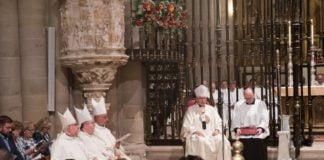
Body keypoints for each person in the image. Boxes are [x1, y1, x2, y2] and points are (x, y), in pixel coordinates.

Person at [181, 85, 231, 160]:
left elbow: (219, 122)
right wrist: (195, 131)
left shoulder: (212, 109)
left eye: (204, 98)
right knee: (200, 141)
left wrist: (217, 130)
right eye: (201, 98)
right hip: (198, 135)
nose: (203, 100)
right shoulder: (190, 110)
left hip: (212, 134)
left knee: (223, 141)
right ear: (196, 99)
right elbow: (186, 126)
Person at [232, 88, 269, 160]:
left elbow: (265, 118)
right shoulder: (238, 104)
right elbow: (235, 118)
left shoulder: (261, 104)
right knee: (243, 142)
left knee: (258, 142)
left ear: (254, 95)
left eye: (250, 98)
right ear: (244, 96)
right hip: (243, 132)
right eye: (246, 98)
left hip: (257, 131)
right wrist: (237, 128)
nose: (248, 100)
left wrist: (261, 128)